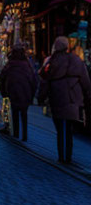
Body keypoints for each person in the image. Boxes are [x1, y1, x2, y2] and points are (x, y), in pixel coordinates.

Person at [38, 36, 91, 164]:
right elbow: (86, 82)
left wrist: (41, 98)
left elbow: (44, 81)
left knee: (60, 131)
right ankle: (68, 157)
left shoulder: (51, 62)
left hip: (57, 100)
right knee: (69, 129)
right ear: (67, 46)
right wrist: (87, 98)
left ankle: (61, 156)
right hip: (73, 100)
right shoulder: (76, 60)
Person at [0, 43, 38, 142]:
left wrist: (3, 91)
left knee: (13, 111)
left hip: (12, 91)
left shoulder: (10, 64)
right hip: (26, 93)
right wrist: (32, 94)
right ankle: (24, 135)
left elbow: (2, 78)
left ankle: (15, 132)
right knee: (24, 114)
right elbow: (33, 80)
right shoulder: (27, 65)